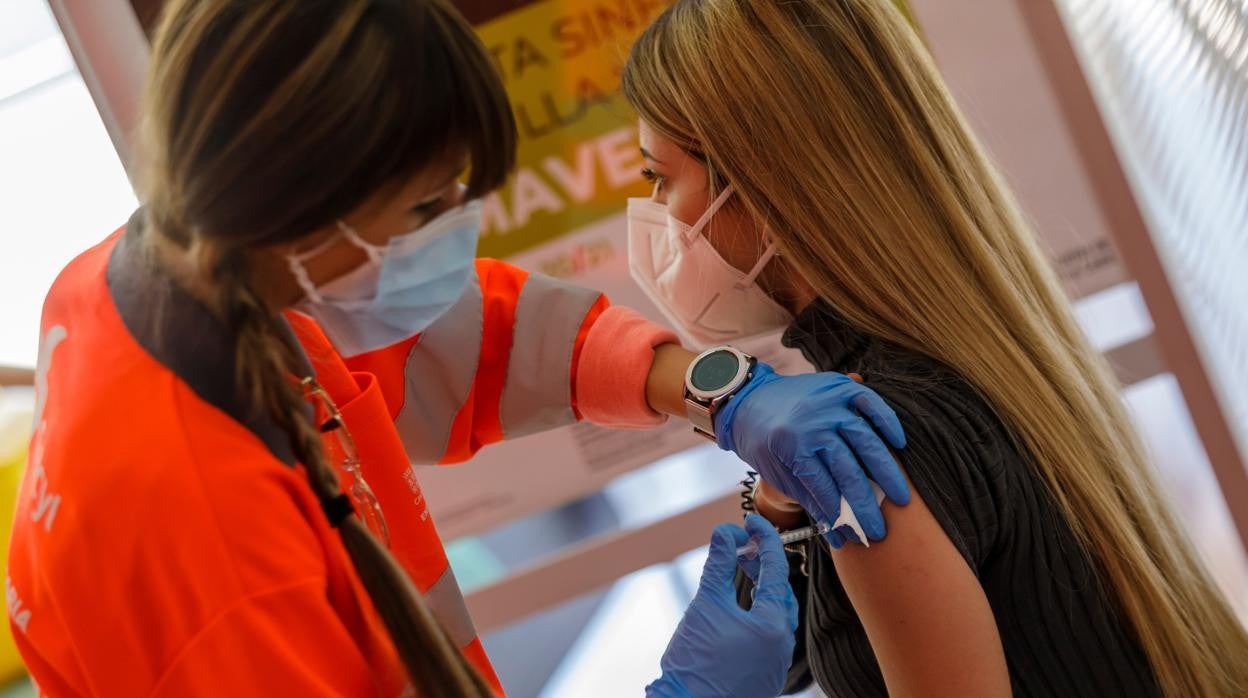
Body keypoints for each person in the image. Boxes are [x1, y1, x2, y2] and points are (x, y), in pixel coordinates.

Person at [7, 0, 910, 695]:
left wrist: (714, 388)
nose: (453, 242)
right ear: (299, 204)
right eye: (426, 209)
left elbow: (470, 335)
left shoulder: (182, 275)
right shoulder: (211, 552)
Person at [620, 1, 1248, 696]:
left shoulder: (878, 444)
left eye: (659, 177)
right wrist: (771, 503)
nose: (655, 212)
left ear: (759, 181)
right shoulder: (995, 355)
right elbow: (802, 642)